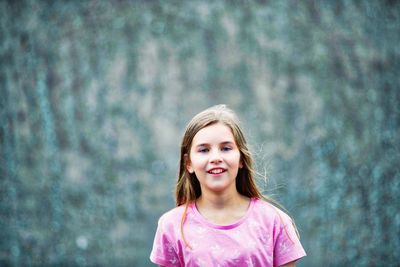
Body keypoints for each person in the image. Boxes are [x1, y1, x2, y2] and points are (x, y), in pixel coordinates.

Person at [150, 104, 306, 267]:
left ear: (241, 159)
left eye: (225, 148)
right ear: (189, 163)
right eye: (204, 150)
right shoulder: (171, 225)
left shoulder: (274, 221)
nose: (216, 157)